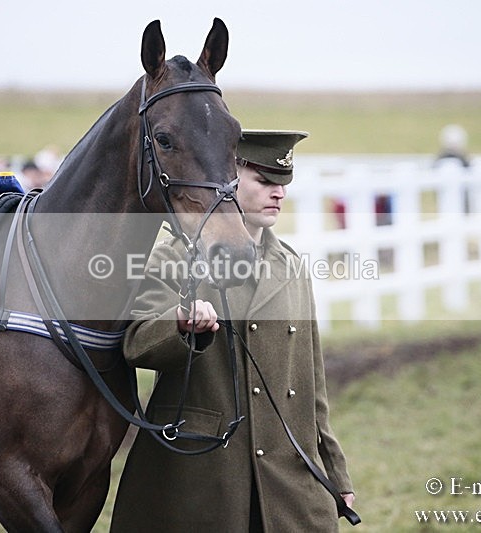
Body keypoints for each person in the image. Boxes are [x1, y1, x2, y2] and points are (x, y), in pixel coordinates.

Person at [111, 130, 355, 532]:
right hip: (200, 477)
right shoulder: (173, 257)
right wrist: (181, 324)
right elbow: (136, 342)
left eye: (283, 184)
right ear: (229, 178)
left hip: (288, 478)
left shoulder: (292, 268)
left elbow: (313, 385)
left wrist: (335, 471)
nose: (278, 193)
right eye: (264, 181)